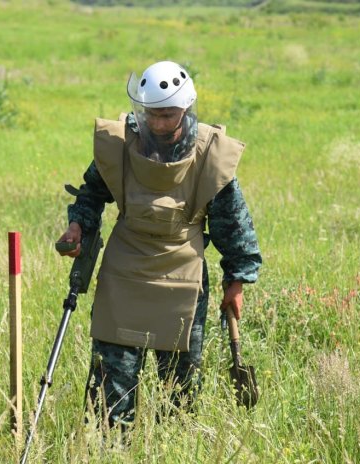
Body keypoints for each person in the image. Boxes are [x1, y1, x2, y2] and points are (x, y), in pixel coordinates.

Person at [56, 61, 262, 429]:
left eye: (168, 115)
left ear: (186, 109)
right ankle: (110, 452)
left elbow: (232, 221)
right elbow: (91, 195)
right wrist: (77, 229)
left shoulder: (210, 154)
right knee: (109, 395)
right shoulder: (121, 144)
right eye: (152, 115)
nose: (160, 124)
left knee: (179, 397)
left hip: (183, 279)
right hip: (123, 275)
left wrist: (237, 280)